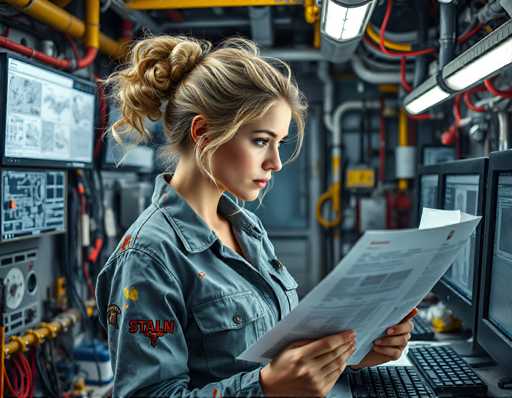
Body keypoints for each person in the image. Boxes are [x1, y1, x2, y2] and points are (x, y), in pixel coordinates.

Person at [96, 35, 415, 397]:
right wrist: (266, 388)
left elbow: (276, 347)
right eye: (261, 141)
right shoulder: (149, 257)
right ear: (203, 132)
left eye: (278, 143)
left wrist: (352, 350)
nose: (275, 163)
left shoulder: (245, 227)